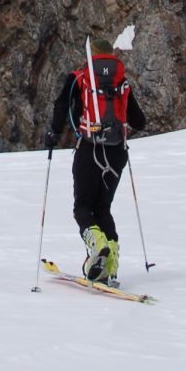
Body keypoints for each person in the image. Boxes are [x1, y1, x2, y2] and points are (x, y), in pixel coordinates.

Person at [43, 37, 148, 284]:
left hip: (89, 148)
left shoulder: (80, 78)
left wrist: (54, 134)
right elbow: (139, 122)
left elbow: (61, 107)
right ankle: (110, 264)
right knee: (103, 208)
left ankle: (97, 245)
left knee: (82, 207)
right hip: (117, 152)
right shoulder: (121, 81)